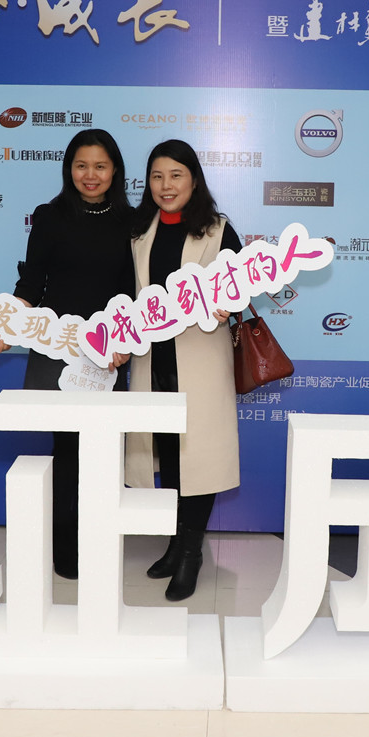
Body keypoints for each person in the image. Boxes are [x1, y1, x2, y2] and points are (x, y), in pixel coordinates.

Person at [0, 128, 133, 579]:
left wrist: (124, 340)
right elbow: (32, 282)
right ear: (69, 169)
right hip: (60, 346)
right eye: (81, 165)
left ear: (115, 170)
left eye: (100, 166)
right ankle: (65, 547)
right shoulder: (49, 216)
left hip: (109, 351)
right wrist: (12, 322)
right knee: (68, 447)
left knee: (104, 450)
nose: (90, 175)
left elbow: (134, 292)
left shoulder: (132, 221)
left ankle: (99, 539)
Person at [125, 139, 241, 601]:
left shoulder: (218, 231)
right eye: (157, 176)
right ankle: (176, 544)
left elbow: (239, 287)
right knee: (170, 456)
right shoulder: (140, 231)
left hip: (200, 361)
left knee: (200, 457)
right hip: (152, 361)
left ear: (194, 179)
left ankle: (191, 553)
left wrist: (227, 304)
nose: (166, 185)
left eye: (176, 175)